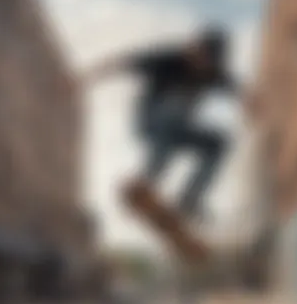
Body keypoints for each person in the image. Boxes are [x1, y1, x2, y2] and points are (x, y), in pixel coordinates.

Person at [84, 26, 250, 222]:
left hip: (178, 131)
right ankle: (148, 179)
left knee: (218, 143)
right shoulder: (167, 60)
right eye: (199, 58)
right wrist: (83, 79)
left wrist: (256, 104)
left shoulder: (214, 74)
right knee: (176, 107)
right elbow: (121, 63)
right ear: (194, 49)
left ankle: (190, 200)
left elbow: (240, 91)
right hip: (150, 123)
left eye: (207, 64)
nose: (201, 66)